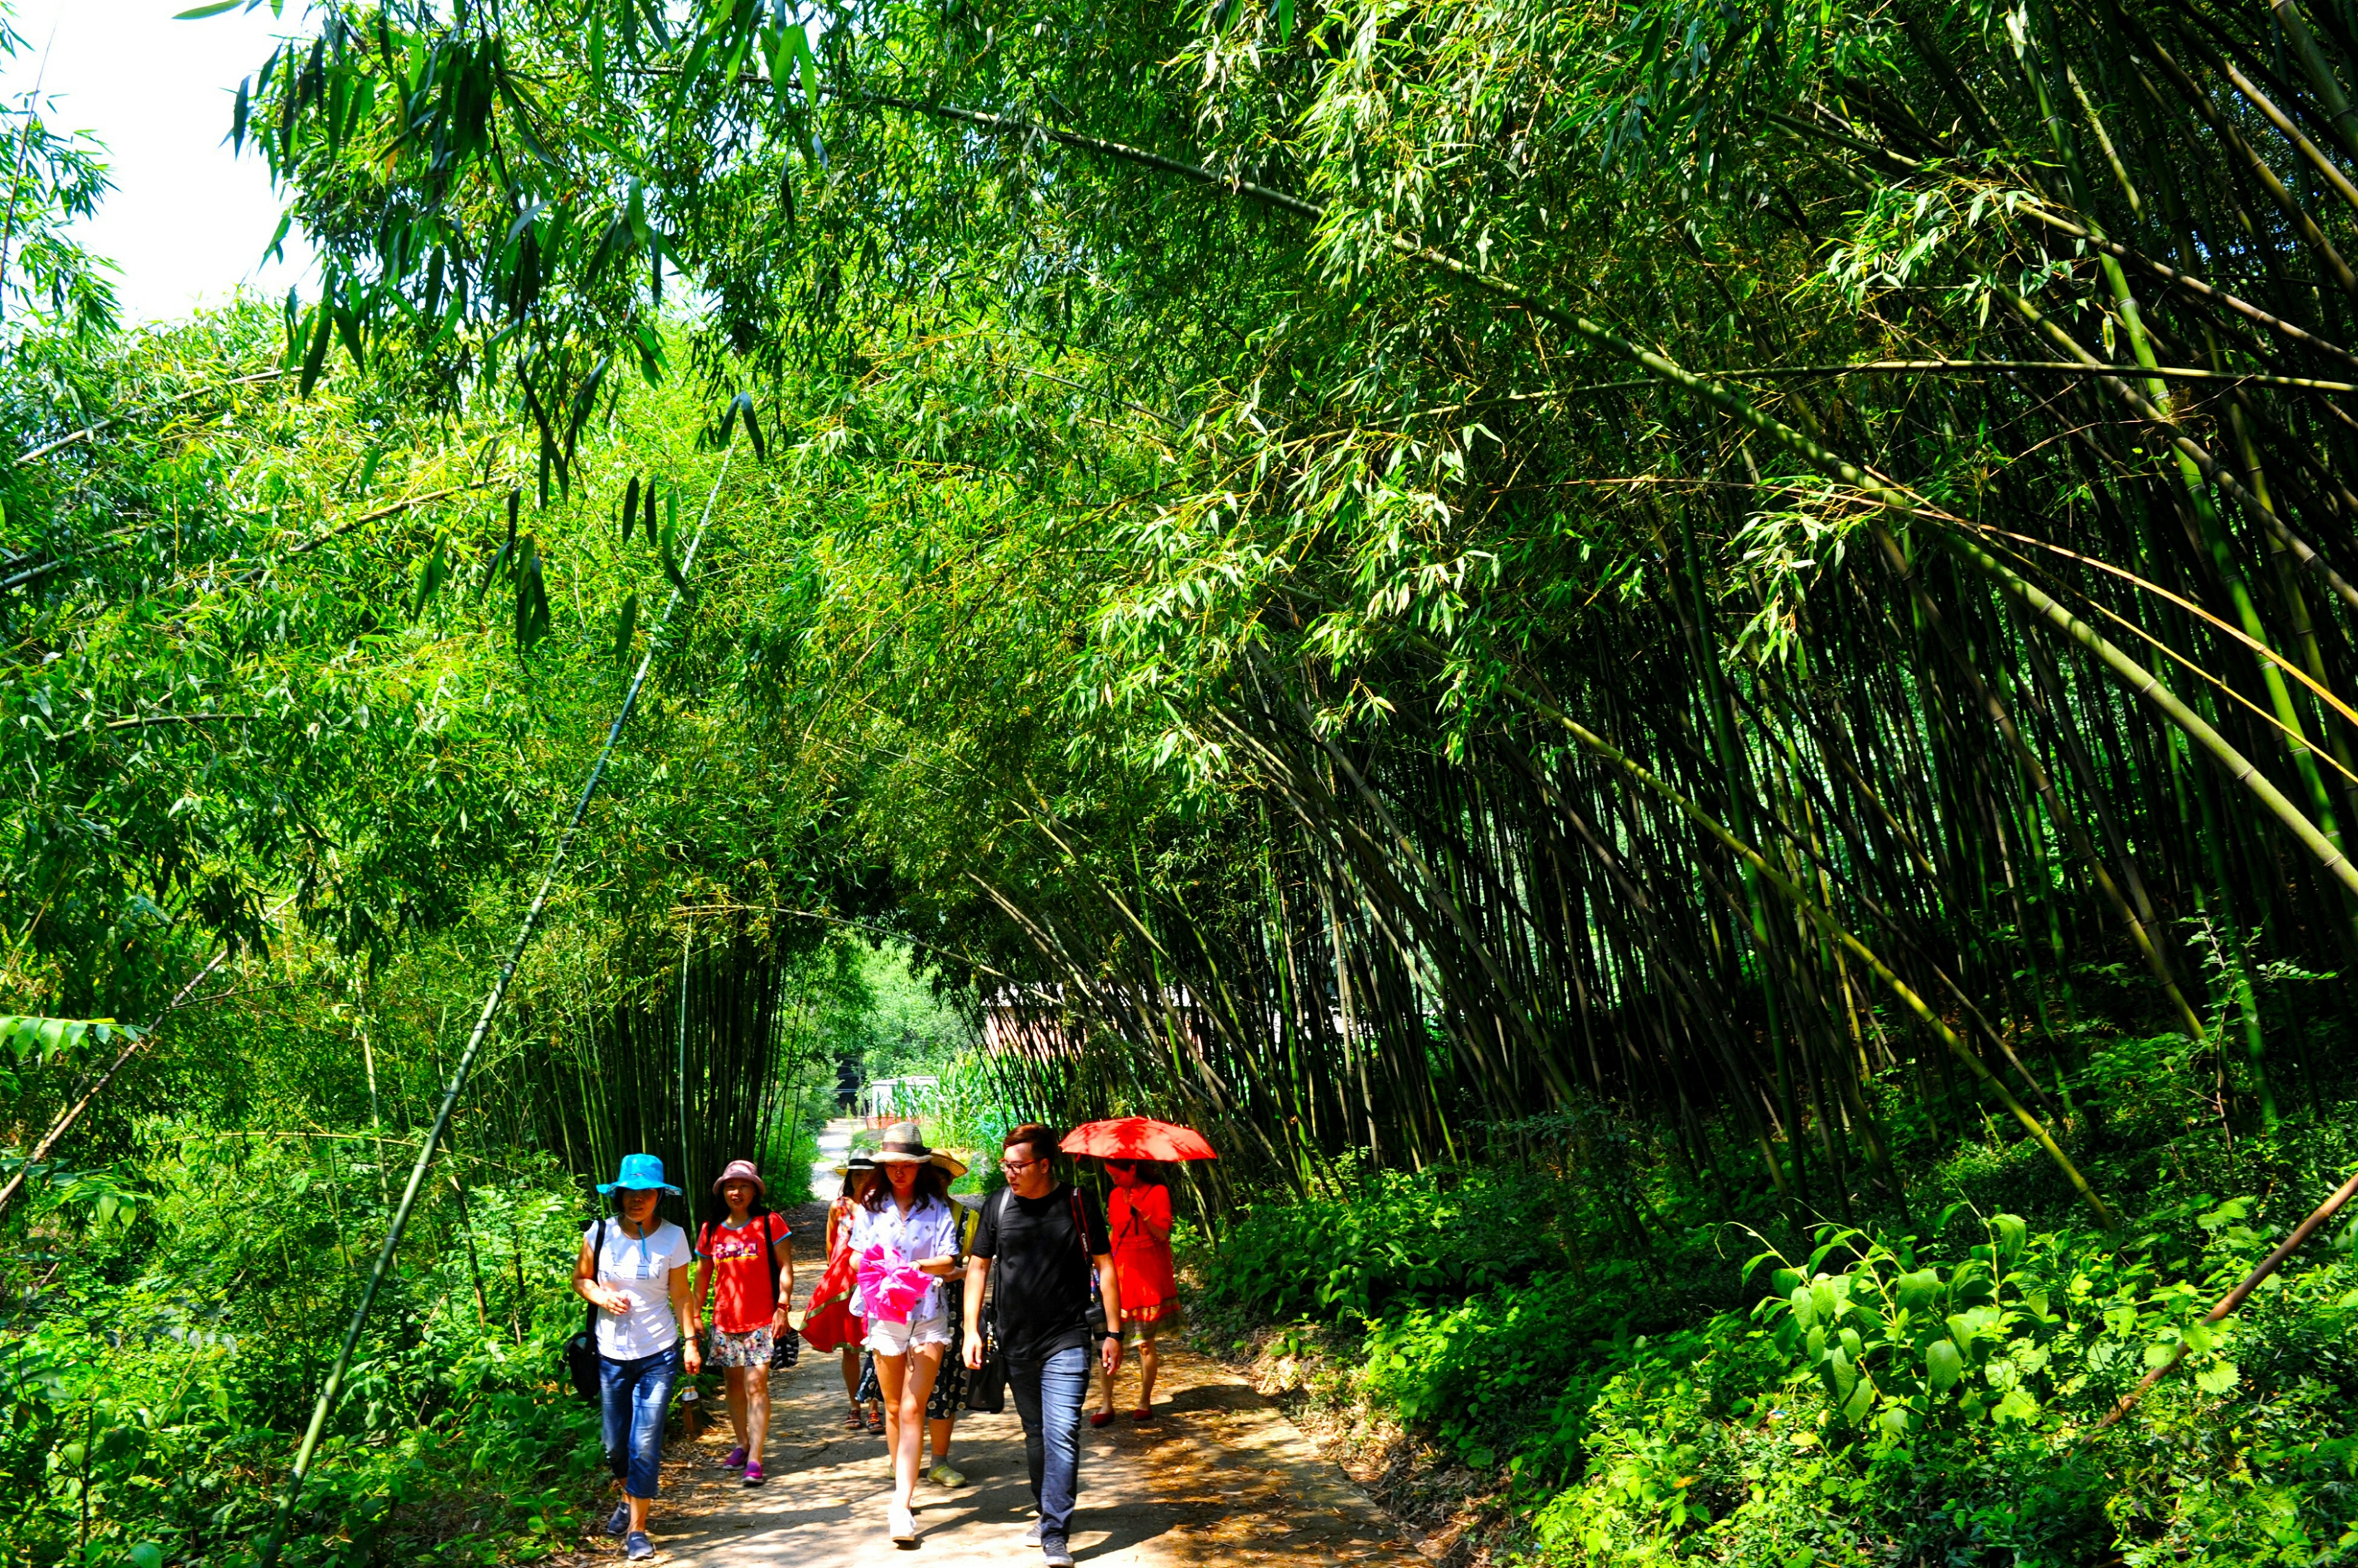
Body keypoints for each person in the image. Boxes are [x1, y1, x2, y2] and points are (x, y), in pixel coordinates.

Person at [965, 1124, 1121, 1568]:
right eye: (1006, 1164)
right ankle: (1046, 1508)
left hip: (1067, 1335)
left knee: (1062, 1431)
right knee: (1036, 1433)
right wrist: (972, 1330)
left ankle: (1055, 1531)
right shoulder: (998, 1204)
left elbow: (1105, 1267)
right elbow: (977, 1268)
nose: (1010, 1172)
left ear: (1045, 1164)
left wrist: (1114, 1331)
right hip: (1015, 1337)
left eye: (1018, 1165)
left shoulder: (1076, 1200)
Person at [573, 1154, 702, 1564]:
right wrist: (600, 1295)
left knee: (644, 1443)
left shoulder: (675, 1236)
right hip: (611, 1354)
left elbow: (681, 1294)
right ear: (619, 1193)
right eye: (631, 1190)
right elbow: (581, 1278)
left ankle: (638, 1530)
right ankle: (629, 1498)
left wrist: (690, 1341)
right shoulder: (599, 1232)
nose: (638, 1198)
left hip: (659, 1351)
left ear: (660, 1195)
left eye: (647, 1191)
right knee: (615, 1445)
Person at [853, 1122, 966, 1544]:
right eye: (892, 1165)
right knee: (895, 1404)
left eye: (908, 1164)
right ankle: (905, 1481)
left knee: (915, 1406)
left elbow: (949, 1258)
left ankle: (901, 1504)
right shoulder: (870, 1208)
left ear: (921, 1166)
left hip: (929, 1314)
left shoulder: (936, 1208)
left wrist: (911, 1269)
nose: (900, 1172)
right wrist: (879, 1272)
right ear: (883, 1168)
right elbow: (855, 1260)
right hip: (885, 1316)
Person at [693, 1158, 793, 1486]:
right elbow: (703, 1277)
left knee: (756, 1385)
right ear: (723, 1190)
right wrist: (695, 1315)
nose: (736, 1192)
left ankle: (756, 1458)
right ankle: (742, 1442)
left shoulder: (769, 1222)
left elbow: (785, 1268)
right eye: (731, 1186)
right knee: (733, 1386)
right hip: (725, 1320)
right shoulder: (712, 1228)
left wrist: (783, 1307)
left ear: (755, 1190)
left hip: (762, 1318)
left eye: (743, 1186)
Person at [1092, 1158, 1180, 1425]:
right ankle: (1107, 1403)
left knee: (1144, 1343)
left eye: (1116, 1175)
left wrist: (1142, 1209)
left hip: (1146, 1276)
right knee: (1106, 1343)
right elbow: (1114, 1232)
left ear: (1132, 1170)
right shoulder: (1115, 1194)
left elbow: (1162, 1234)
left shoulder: (1158, 1192)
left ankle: (1144, 1400)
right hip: (1117, 1271)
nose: (1113, 1181)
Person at [807, 1156, 884, 1433]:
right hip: (844, 1282)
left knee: (875, 1347)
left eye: (868, 1173)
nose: (862, 1179)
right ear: (849, 1176)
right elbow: (831, 1247)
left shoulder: (882, 1206)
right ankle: (855, 1405)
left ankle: (875, 1407)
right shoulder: (838, 1207)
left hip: (874, 1279)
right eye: (856, 1174)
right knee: (850, 1348)